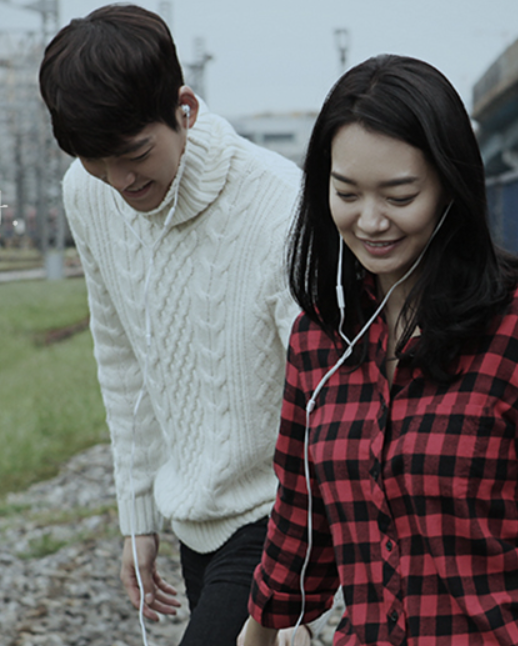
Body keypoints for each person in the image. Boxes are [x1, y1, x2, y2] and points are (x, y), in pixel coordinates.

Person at [240, 54, 518, 646]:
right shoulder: (319, 340)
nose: (370, 221)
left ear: (451, 186)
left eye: (399, 196)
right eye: (346, 192)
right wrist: (258, 630)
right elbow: (301, 518)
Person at [38, 5, 316, 645]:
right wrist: (138, 518)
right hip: (194, 519)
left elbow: (323, 390)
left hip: (277, 512)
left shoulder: (278, 203)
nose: (120, 180)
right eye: (95, 160)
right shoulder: (89, 195)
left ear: (184, 108)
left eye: (135, 153)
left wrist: (309, 552)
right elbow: (119, 357)